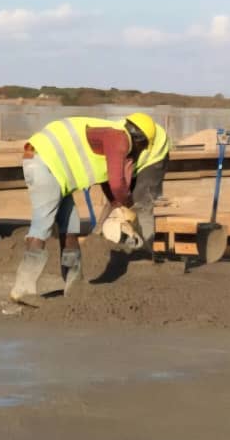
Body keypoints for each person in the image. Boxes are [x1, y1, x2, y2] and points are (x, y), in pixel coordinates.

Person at [9, 113, 153, 303]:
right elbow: (117, 184)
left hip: (54, 170)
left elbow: (107, 181)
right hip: (44, 161)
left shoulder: (112, 136)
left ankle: (74, 285)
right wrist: (128, 206)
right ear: (140, 140)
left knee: (71, 226)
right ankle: (23, 289)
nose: (139, 153)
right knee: (42, 224)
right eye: (143, 148)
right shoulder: (119, 139)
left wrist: (118, 205)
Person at [127, 113, 170, 258]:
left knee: (142, 199)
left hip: (154, 156)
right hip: (135, 155)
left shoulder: (148, 142)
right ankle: (126, 245)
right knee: (121, 199)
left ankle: (144, 251)